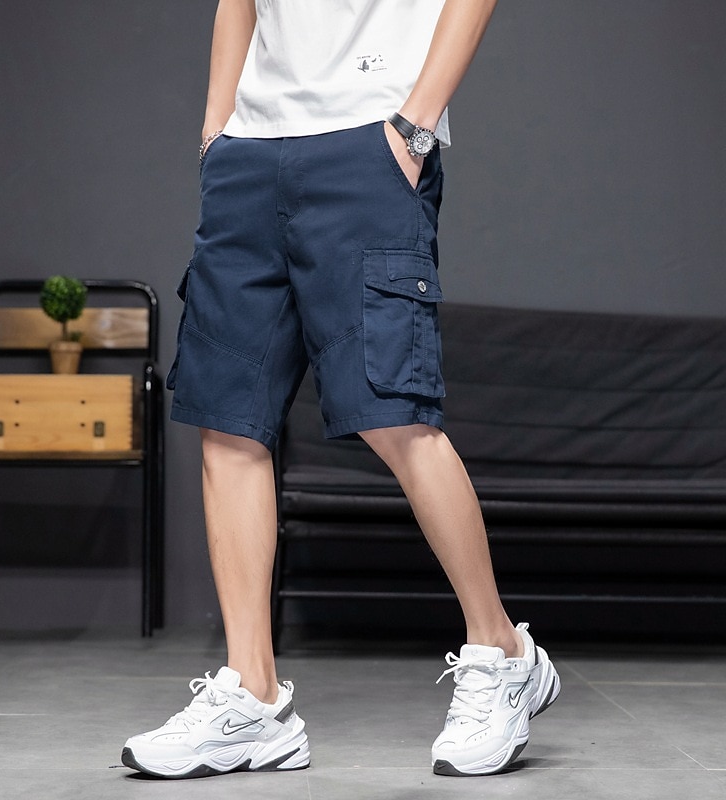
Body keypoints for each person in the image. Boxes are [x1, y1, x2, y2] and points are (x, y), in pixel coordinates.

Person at [122, 0, 560, 779]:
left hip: (370, 143)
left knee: (394, 414)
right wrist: (217, 131)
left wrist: (414, 127)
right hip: (248, 157)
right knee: (228, 422)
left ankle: (502, 651)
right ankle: (254, 697)